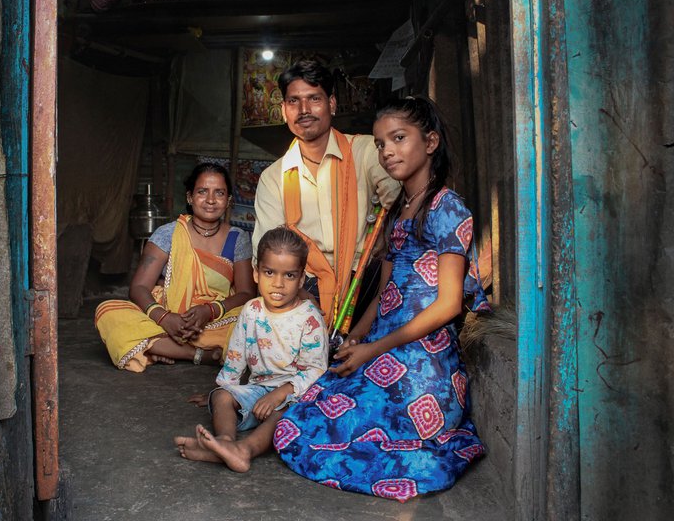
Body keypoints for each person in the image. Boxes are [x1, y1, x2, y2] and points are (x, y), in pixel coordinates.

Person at [274, 96, 489, 503]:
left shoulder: (448, 208)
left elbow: (448, 305)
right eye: (379, 143)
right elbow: (384, 295)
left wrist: (376, 348)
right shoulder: (396, 212)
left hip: (424, 354)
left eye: (398, 138)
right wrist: (356, 338)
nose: (387, 151)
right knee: (311, 407)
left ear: (430, 142)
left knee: (364, 425)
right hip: (385, 343)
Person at [252, 59, 401, 326]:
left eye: (314, 99)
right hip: (304, 283)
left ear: (331, 104)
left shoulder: (366, 151)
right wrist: (301, 297)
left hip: (363, 275)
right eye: (294, 101)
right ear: (284, 110)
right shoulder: (274, 177)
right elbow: (268, 251)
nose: (304, 109)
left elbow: (402, 204)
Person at [174, 227, 328, 472]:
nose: (278, 283)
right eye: (269, 272)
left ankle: (245, 450)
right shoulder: (251, 311)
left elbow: (317, 370)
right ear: (256, 273)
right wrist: (223, 391)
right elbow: (235, 358)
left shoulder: (308, 317)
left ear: (301, 279)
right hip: (258, 392)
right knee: (221, 397)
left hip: (295, 395)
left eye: (289, 276)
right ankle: (225, 444)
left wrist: (280, 394)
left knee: (285, 412)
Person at [95, 163, 257, 372]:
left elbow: (246, 293)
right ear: (190, 197)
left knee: (253, 323)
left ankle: (162, 347)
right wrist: (165, 318)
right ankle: (200, 354)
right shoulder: (169, 233)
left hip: (214, 320)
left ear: (228, 201)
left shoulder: (237, 238)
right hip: (166, 316)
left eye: (219, 193)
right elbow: (139, 287)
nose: (210, 200)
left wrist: (209, 310)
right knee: (108, 312)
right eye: (202, 192)